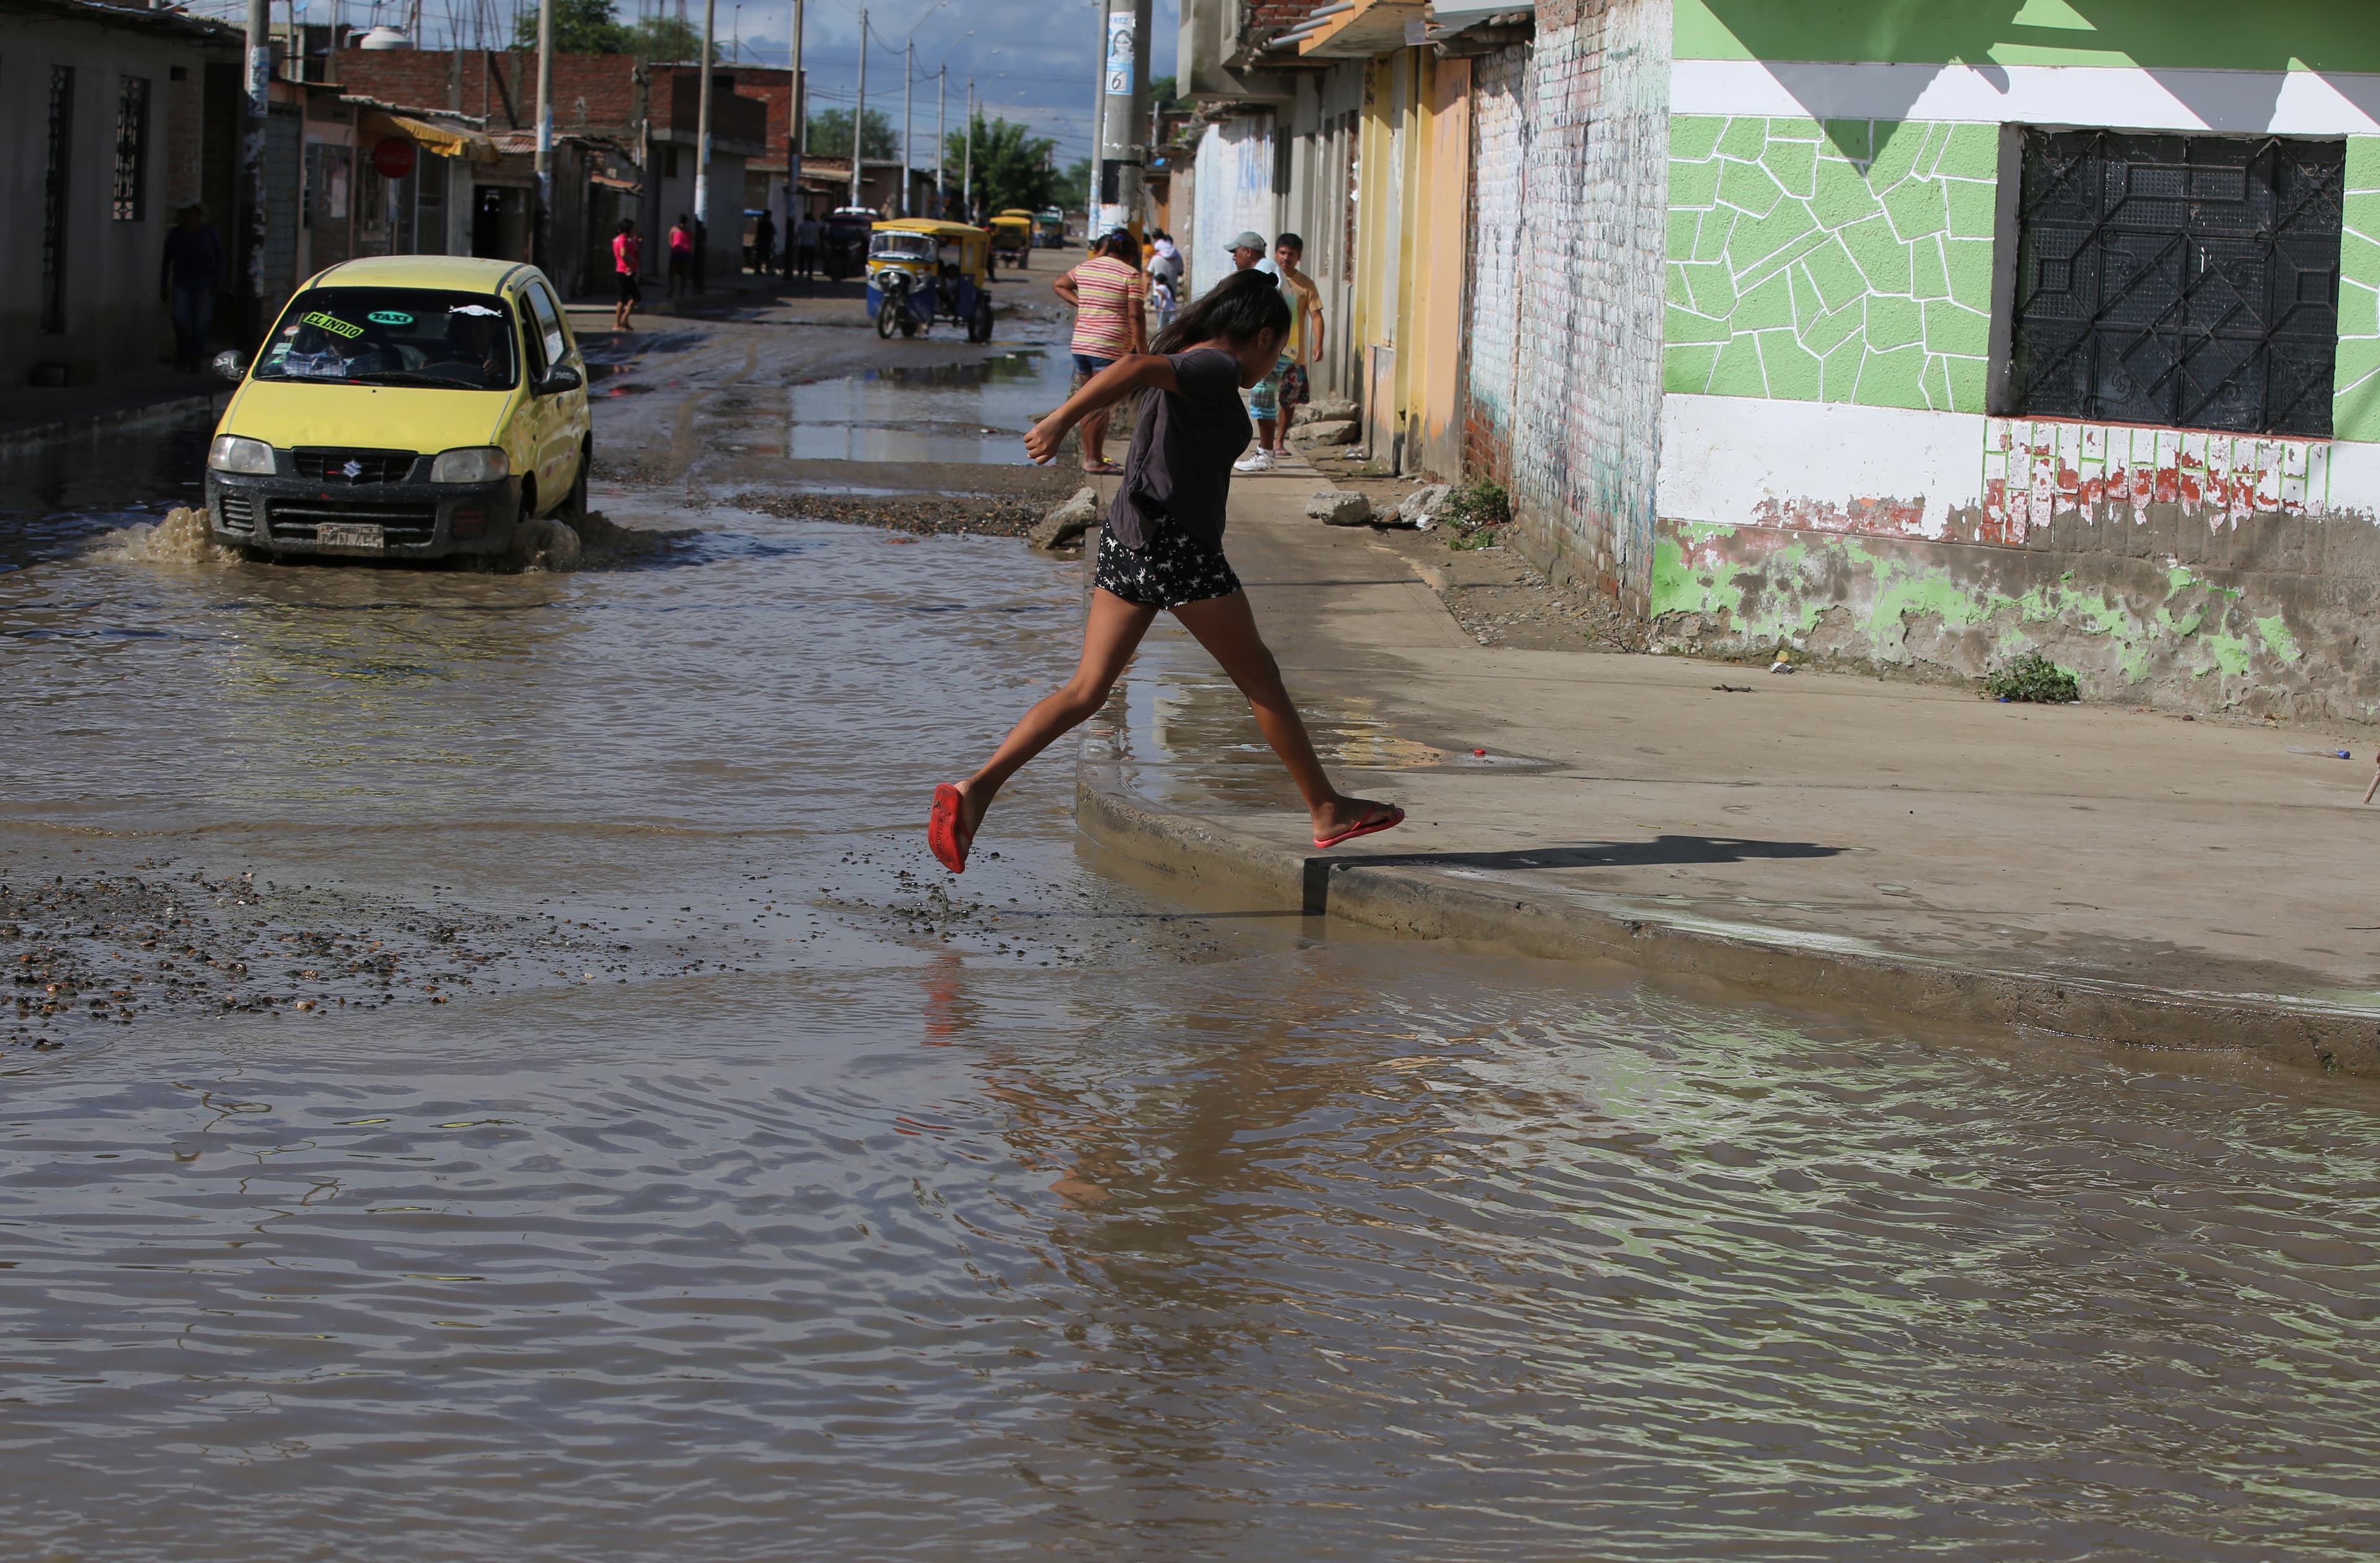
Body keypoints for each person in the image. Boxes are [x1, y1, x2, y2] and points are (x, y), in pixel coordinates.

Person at [925, 269, 1404, 875]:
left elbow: (1141, 370)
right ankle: (1326, 808)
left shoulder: (1191, 357)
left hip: (1127, 540)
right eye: (1278, 350)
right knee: (1261, 678)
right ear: (1259, 335)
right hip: (1178, 550)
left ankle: (975, 791)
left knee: (1086, 691)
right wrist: (1058, 421)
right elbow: (1130, 367)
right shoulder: (1216, 367)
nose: (1274, 364)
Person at [1051, 229, 1148, 476]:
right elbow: (1136, 315)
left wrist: (1081, 303)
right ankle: (1093, 460)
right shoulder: (1130, 274)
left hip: (1082, 345)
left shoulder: (1085, 268)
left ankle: (1093, 456)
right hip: (1109, 346)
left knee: (1089, 402)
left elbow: (1059, 284)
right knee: (1100, 406)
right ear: (1130, 253)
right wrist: (1143, 352)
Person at [1239, 231, 1324, 469]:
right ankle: (1268, 449)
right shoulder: (1274, 273)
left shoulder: (1272, 273)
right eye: (1283, 253)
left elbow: (1316, 315)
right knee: (1265, 397)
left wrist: (1318, 344)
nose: (1286, 258)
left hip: (1285, 351)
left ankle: (1271, 449)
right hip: (1283, 349)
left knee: (1280, 399)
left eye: (1291, 254)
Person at [160, 204, 224, 372]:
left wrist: (218, 280)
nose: (190, 218)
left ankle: (195, 357)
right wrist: (164, 285)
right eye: (186, 214)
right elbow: (167, 261)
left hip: (205, 282)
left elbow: (220, 257)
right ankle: (183, 354)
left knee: (201, 322)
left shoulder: (207, 233)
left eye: (193, 214)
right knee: (180, 319)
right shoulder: (176, 235)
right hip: (182, 282)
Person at [611, 218, 643, 330]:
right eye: (633, 228)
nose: (635, 230)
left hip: (630, 272)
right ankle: (617, 324)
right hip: (624, 271)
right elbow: (623, 254)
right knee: (623, 299)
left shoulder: (628, 239)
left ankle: (625, 320)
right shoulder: (622, 240)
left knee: (636, 297)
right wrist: (630, 264)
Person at [668, 214, 694, 299]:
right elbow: (671, 240)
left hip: (680, 253)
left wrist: (673, 248)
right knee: (675, 272)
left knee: (680, 273)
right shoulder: (685, 230)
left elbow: (670, 240)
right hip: (682, 253)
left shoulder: (675, 230)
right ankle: (675, 289)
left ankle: (679, 290)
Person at [794, 211, 821, 280]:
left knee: (802, 260)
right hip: (811, 245)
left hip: (803, 245)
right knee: (810, 260)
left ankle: (801, 272)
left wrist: (796, 244)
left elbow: (797, 235)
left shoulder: (801, 226)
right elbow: (822, 225)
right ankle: (810, 273)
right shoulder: (813, 225)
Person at [751, 208, 776, 274]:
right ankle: (768, 269)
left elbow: (758, 232)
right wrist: (773, 241)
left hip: (761, 241)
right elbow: (772, 233)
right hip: (766, 241)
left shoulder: (761, 222)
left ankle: (758, 269)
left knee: (760, 256)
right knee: (767, 256)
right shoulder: (769, 223)